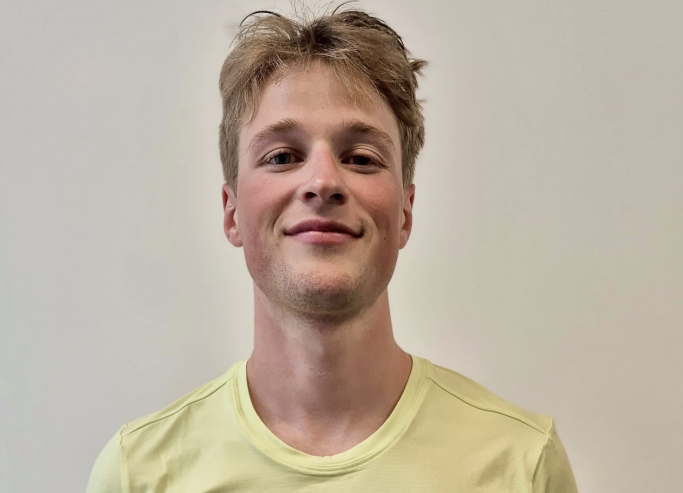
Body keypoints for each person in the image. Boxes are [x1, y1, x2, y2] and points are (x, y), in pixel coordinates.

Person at [86, 6, 578, 492]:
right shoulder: (139, 475)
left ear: (405, 213)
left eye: (361, 158)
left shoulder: (522, 465)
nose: (323, 181)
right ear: (232, 212)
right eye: (282, 156)